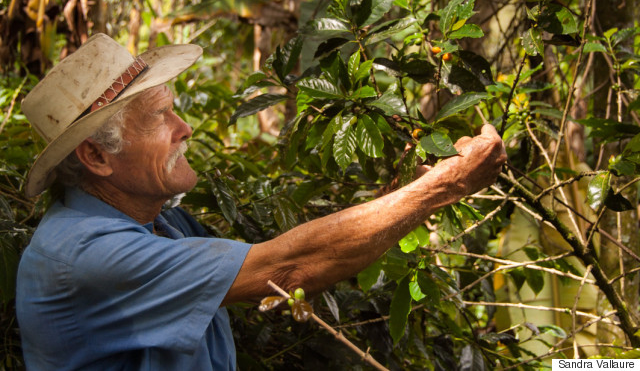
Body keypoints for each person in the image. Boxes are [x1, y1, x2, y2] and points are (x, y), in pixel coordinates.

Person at [16, 33, 507, 370]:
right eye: (160, 117)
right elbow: (288, 269)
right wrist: (445, 185)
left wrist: (397, 198)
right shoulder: (87, 257)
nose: (184, 129)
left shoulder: (155, 224)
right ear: (96, 156)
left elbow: (271, 270)